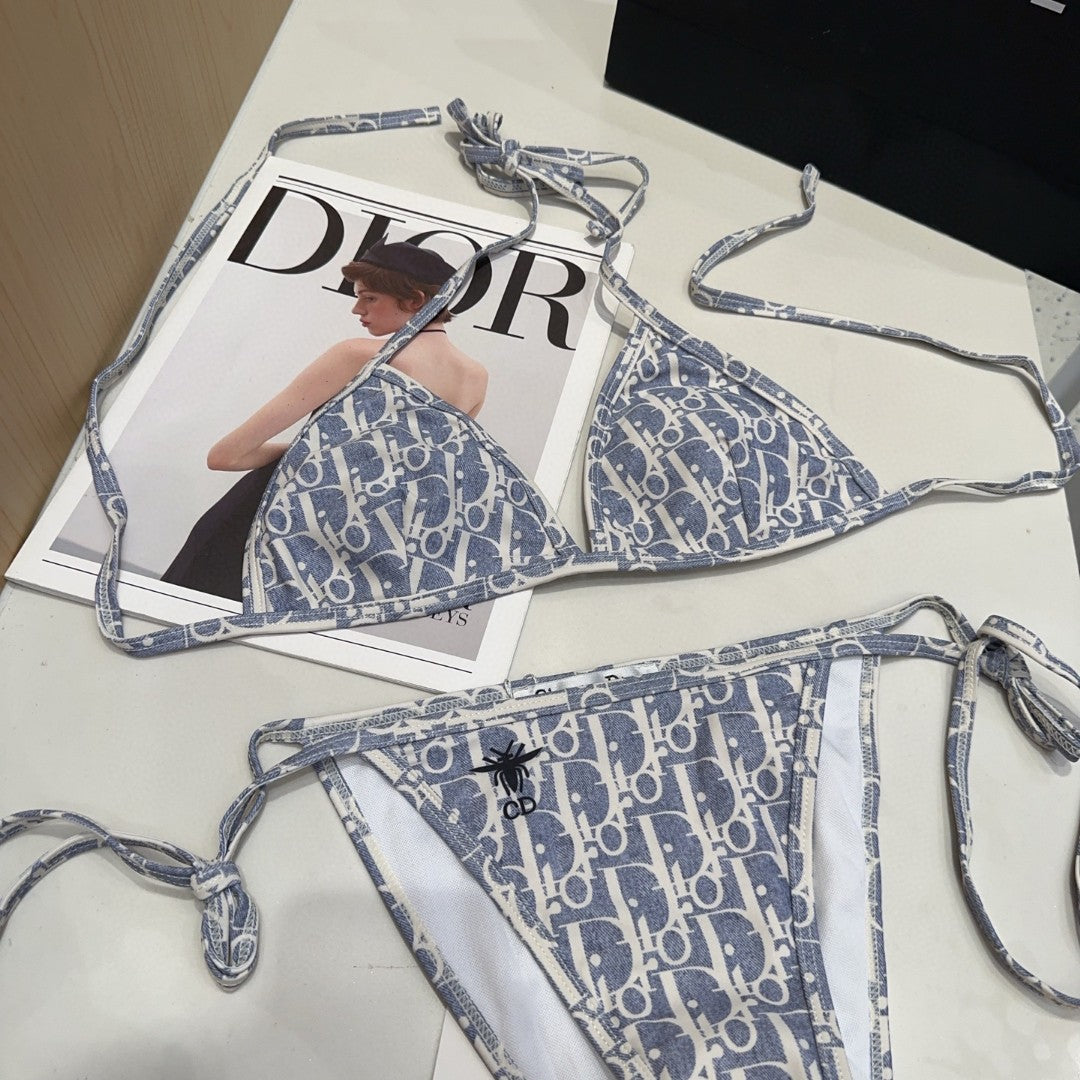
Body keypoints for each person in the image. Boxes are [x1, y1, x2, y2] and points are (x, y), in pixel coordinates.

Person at [160, 240, 487, 601]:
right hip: (336, 562)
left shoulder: (359, 355)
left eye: (369, 298)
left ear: (415, 300)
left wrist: (314, 451)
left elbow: (225, 455)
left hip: (257, 526)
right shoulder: (475, 379)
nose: (357, 309)